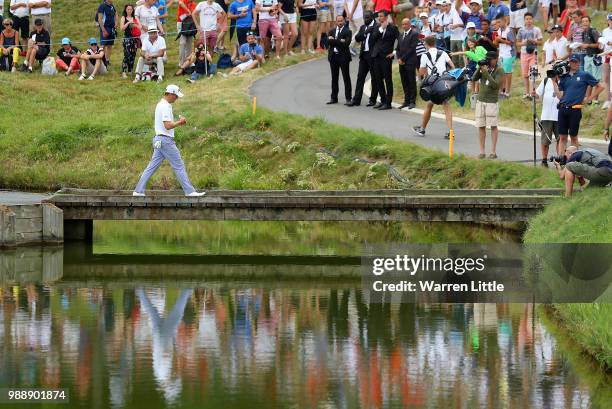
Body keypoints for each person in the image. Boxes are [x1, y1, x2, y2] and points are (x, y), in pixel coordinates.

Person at [133, 85, 206, 197]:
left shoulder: (160, 104)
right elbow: (167, 125)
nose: (176, 99)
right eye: (176, 96)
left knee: (151, 167)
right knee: (179, 165)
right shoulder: (165, 106)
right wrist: (180, 122)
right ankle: (190, 191)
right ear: (171, 94)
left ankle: (138, 191)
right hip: (165, 140)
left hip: (158, 140)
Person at [551, 54, 605, 152]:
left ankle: (574, 160)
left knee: (573, 137)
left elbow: (600, 86)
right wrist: (554, 82)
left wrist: (588, 99)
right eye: (572, 61)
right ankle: (560, 160)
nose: (574, 64)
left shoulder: (584, 75)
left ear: (579, 62)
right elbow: (560, 96)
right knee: (562, 137)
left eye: (576, 62)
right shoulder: (564, 76)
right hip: (563, 109)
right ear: (569, 62)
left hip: (575, 109)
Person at [413, 35, 455, 138]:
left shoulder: (424, 55)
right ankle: (450, 132)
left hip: (432, 84)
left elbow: (422, 72)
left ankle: (422, 129)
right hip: (443, 83)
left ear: (426, 44)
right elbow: (453, 67)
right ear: (435, 43)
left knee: (429, 104)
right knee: (446, 106)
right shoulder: (443, 53)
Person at [472, 51, 503, 158]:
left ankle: (493, 152)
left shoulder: (499, 70)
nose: (489, 61)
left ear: (496, 59)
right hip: (481, 100)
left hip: (491, 101)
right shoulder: (484, 67)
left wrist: (485, 72)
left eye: (491, 59)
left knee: (493, 126)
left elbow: (495, 85)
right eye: (487, 59)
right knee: (481, 126)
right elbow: (474, 78)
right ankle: (482, 151)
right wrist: (479, 68)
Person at [348, 10, 378, 107]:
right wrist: (365, 33)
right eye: (364, 17)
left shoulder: (377, 26)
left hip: (373, 56)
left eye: (367, 18)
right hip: (364, 55)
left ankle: (372, 100)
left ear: (372, 17)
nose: (365, 19)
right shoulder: (363, 27)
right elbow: (357, 38)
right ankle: (356, 99)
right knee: (360, 77)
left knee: (374, 78)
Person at [371, 10, 398, 110]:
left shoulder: (393, 28)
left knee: (388, 79)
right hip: (376, 55)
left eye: (381, 16)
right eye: (379, 16)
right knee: (378, 79)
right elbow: (373, 38)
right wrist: (382, 28)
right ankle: (382, 100)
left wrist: (394, 52)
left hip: (387, 57)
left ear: (386, 17)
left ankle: (388, 102)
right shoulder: (377, 27)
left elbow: (400, 40)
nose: (379, 18)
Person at [533, 70, 560, 166]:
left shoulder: (564, 80)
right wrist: (534, 94)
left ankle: (559, 160)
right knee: (545, 140)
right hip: (547, 115)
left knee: (560, 140)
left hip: (560, 116)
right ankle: (544, 160)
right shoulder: (545, 80)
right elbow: (537, 94)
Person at [326, 15, 352, 104]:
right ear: (336, 22)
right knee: (334, 78)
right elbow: (328, 42)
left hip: (344, 57)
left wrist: (334, 40)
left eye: (341, 21)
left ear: (344, 21)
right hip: (333, 57)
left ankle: (348, 98)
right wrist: (340, 41)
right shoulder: (331, 31)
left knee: (346, 77)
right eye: (338, 21)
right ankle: (334, 98)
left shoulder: (348, 31)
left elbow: (346, 44)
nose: (340, 22)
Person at [516, 13, 542, 99]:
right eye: (527, 19)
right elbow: (517, 43)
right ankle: (526, 92)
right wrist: (524, 43)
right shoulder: (521, 30)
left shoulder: (536, 30)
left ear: (532, 19)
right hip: (524, 54)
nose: (529, 21)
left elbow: (541, 42)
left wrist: (534, 41)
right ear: (524, 20)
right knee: (525, 75)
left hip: (533, 54)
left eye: (530, 19)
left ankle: (532, 93)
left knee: (532, 74)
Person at [395, 17, 419, 109]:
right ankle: (406, 100)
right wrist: (399, 58)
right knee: (404, 82)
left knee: (411, 81)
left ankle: (412, 101)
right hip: (401, 62)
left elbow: (412, 48)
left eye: (406, 24)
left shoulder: (414, 34)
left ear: (409, 24)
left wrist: (403, 59)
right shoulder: (401, 35)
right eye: (403, 24)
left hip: (410, 62)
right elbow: (397, 49)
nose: (404, 25)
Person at [120, 4, 142, 78]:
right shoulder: (123, 17)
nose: (129, 11)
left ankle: (130, 70)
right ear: (125, 10)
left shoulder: (135, 17)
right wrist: (128, 23)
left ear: (133, 10)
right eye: (128, 9)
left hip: (135, 38)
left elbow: (140, 27)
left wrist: (135, 25)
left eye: (131, 9)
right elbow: (122, 28)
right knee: (127, 54)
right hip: (127, 38)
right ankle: (123, 71)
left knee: (133, 54)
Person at [495, 16, 514, 97]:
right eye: (497, 22)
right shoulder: (498, 31)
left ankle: (507, 92)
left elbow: (512, 43)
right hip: (501, 54)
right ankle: (502, 91)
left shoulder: (509, 30)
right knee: (501, 73)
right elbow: (496, 44)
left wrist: (501, 40)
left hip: (509, 54)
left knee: (508, 73)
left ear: (505, 21)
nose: (498, 24)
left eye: (499, 22)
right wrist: (496, 41)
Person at [580, 16, 601, 87]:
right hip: (587, 56)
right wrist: (581, 46)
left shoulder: (593, 31)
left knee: (596, 79)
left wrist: (588, 45)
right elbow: (585, 45)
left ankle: (596, 98)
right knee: (588, 78)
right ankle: (590, 97)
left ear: (589, 22)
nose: (585, 23)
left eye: (586, 21)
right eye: (583, 21)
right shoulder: (583, 33)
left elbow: (599, 44)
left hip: (595, 57)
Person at [176, 0, 197, 65]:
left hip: (190, 24)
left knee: (189, 43)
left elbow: (194, 14)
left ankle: (189, 61)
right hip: (181, 23)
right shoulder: (183, 1)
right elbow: (180, 3)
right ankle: (181, 62)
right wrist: (188, 10)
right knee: (182, 43)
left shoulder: (193, 4)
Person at [97, 0, 119, 64]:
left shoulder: (112, 6)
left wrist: (116, 23)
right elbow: (99, 19)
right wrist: (103, 30)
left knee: (110, 45)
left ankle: (107, 60)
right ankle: (100, 60)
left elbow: (116, 14)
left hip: (112, 29)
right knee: (103, 45)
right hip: (105, 28)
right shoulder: (102, 6)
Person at [601, 14, 612, 111]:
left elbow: (608, 42)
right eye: (610, 20)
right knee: (606, 78)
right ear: (608, 20)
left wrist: (609, 43)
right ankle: (608, 99)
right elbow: (602, 43)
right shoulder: (605, 31)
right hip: (606, 56)